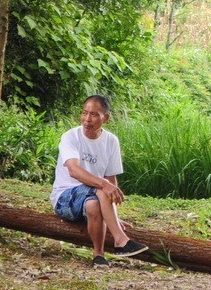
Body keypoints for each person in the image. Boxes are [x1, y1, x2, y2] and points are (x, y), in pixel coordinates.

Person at [50, 95, 148, 266]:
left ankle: (98, 255)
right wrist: (103, 184)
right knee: (102, 188)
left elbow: (111, 181)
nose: (87, 119)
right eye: (84, 113)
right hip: (64, 199)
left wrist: (114, 218)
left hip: (93, 198)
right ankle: (120, 240)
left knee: (93, 204)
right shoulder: (70, 137)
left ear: (106, 118)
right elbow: (74, 170)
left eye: (94, 114)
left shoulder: (111, 141)